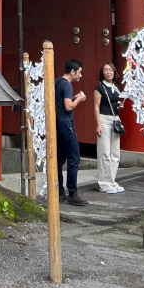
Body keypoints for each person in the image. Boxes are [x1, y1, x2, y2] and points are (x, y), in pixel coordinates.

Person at [55, 59, 89, 206]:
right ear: (73, 71)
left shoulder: (57, 82)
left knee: (59, 159)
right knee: (74, 158)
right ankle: (73, 193)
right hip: (66, 123)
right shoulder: (67, 85)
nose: (80, 76)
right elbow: (68, 107)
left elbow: (61, 102)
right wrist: (79, 99)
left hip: (57, 123)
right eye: (79, 72)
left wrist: (74, 97)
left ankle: (60, 192)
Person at [94, 62, 124, 193]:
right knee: (104, 152)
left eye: (110, 70)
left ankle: (111, 181)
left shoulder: (116, 87)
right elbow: (96, 106)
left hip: (115, 119)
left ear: (114, 72)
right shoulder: (99, 88)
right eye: (105, 70)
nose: (108, 72)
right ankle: (104, 183)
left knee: (115, 153)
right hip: (104, 119)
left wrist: (119, 105)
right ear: (102, 73)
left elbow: (116, 102)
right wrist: (98, 124)